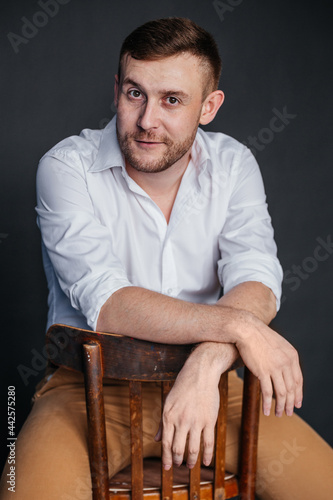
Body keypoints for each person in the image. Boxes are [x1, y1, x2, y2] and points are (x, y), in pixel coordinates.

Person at [1, 17, 332, 500]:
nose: (147, 120)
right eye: (135, 93)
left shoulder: (235, 164)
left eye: (172, 100)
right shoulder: (66, 166)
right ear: (116, 88)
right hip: (89, 392)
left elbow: (257, 280)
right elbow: (109, 302)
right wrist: (238, 330)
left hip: (216, 386)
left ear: (209, 107)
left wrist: (206, 363)